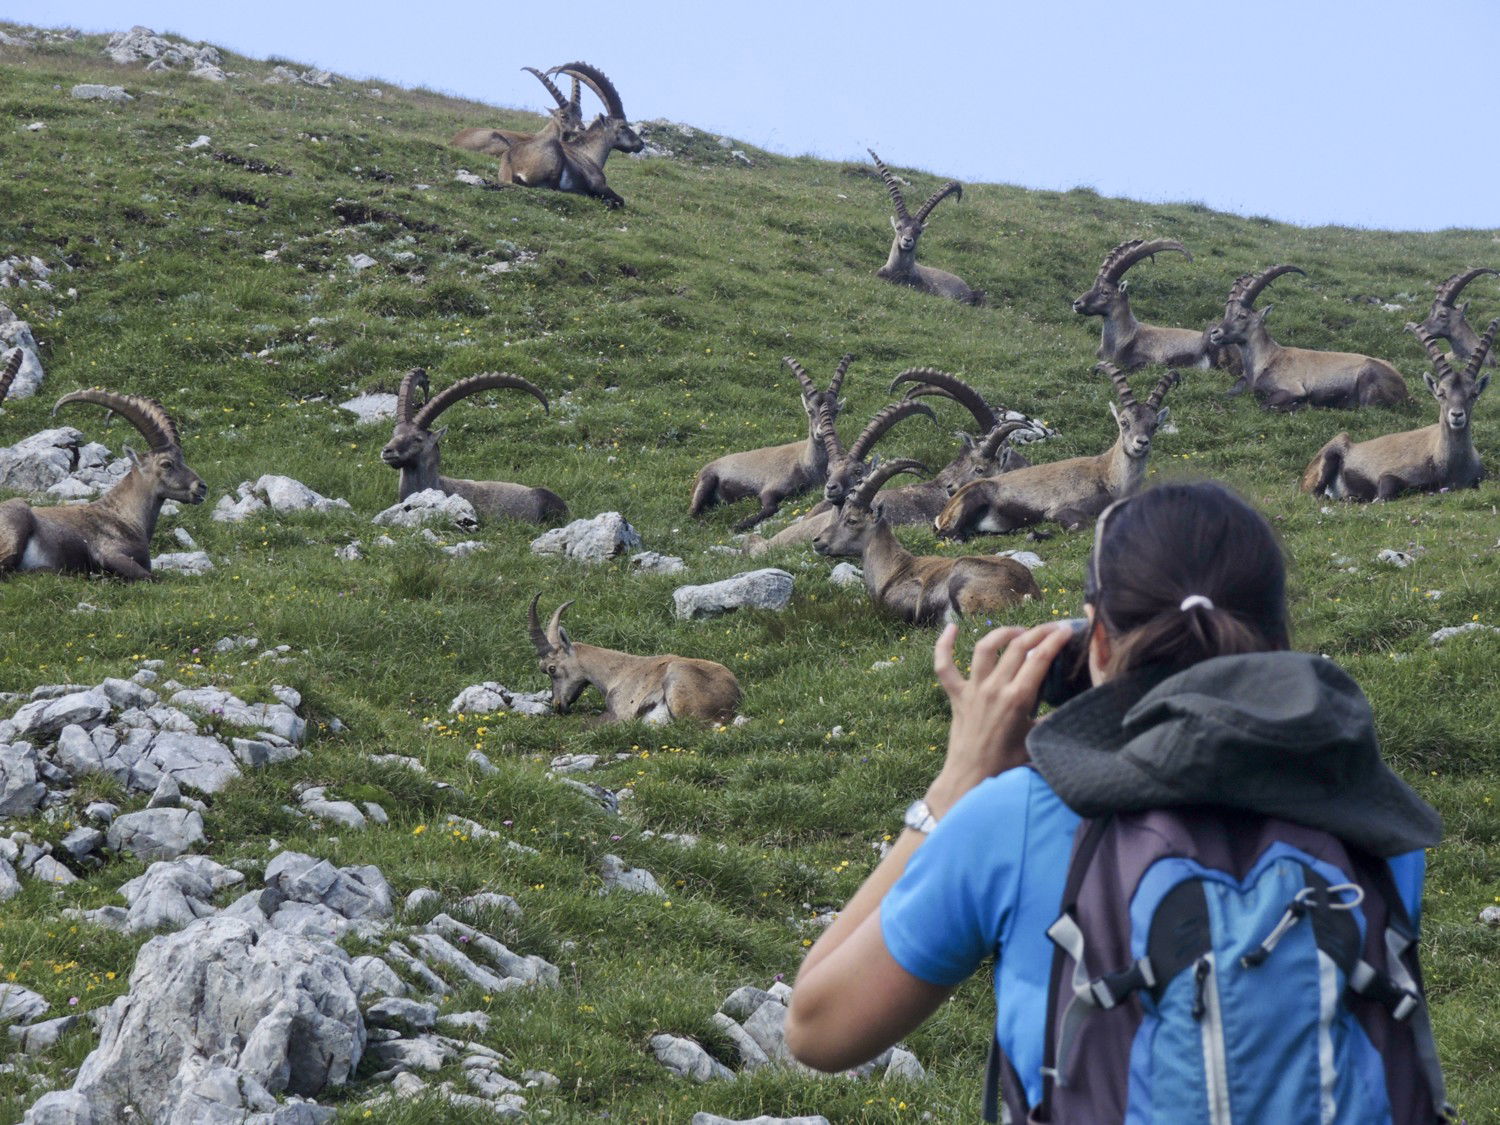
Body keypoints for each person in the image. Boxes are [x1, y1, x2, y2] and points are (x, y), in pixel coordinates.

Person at [785, 480, 1443, 1119]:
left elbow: (815, 1025)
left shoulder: (1016, 816)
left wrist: (955, 786)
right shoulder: (1374, 817)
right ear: (1278, 644)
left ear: (1093, 641)